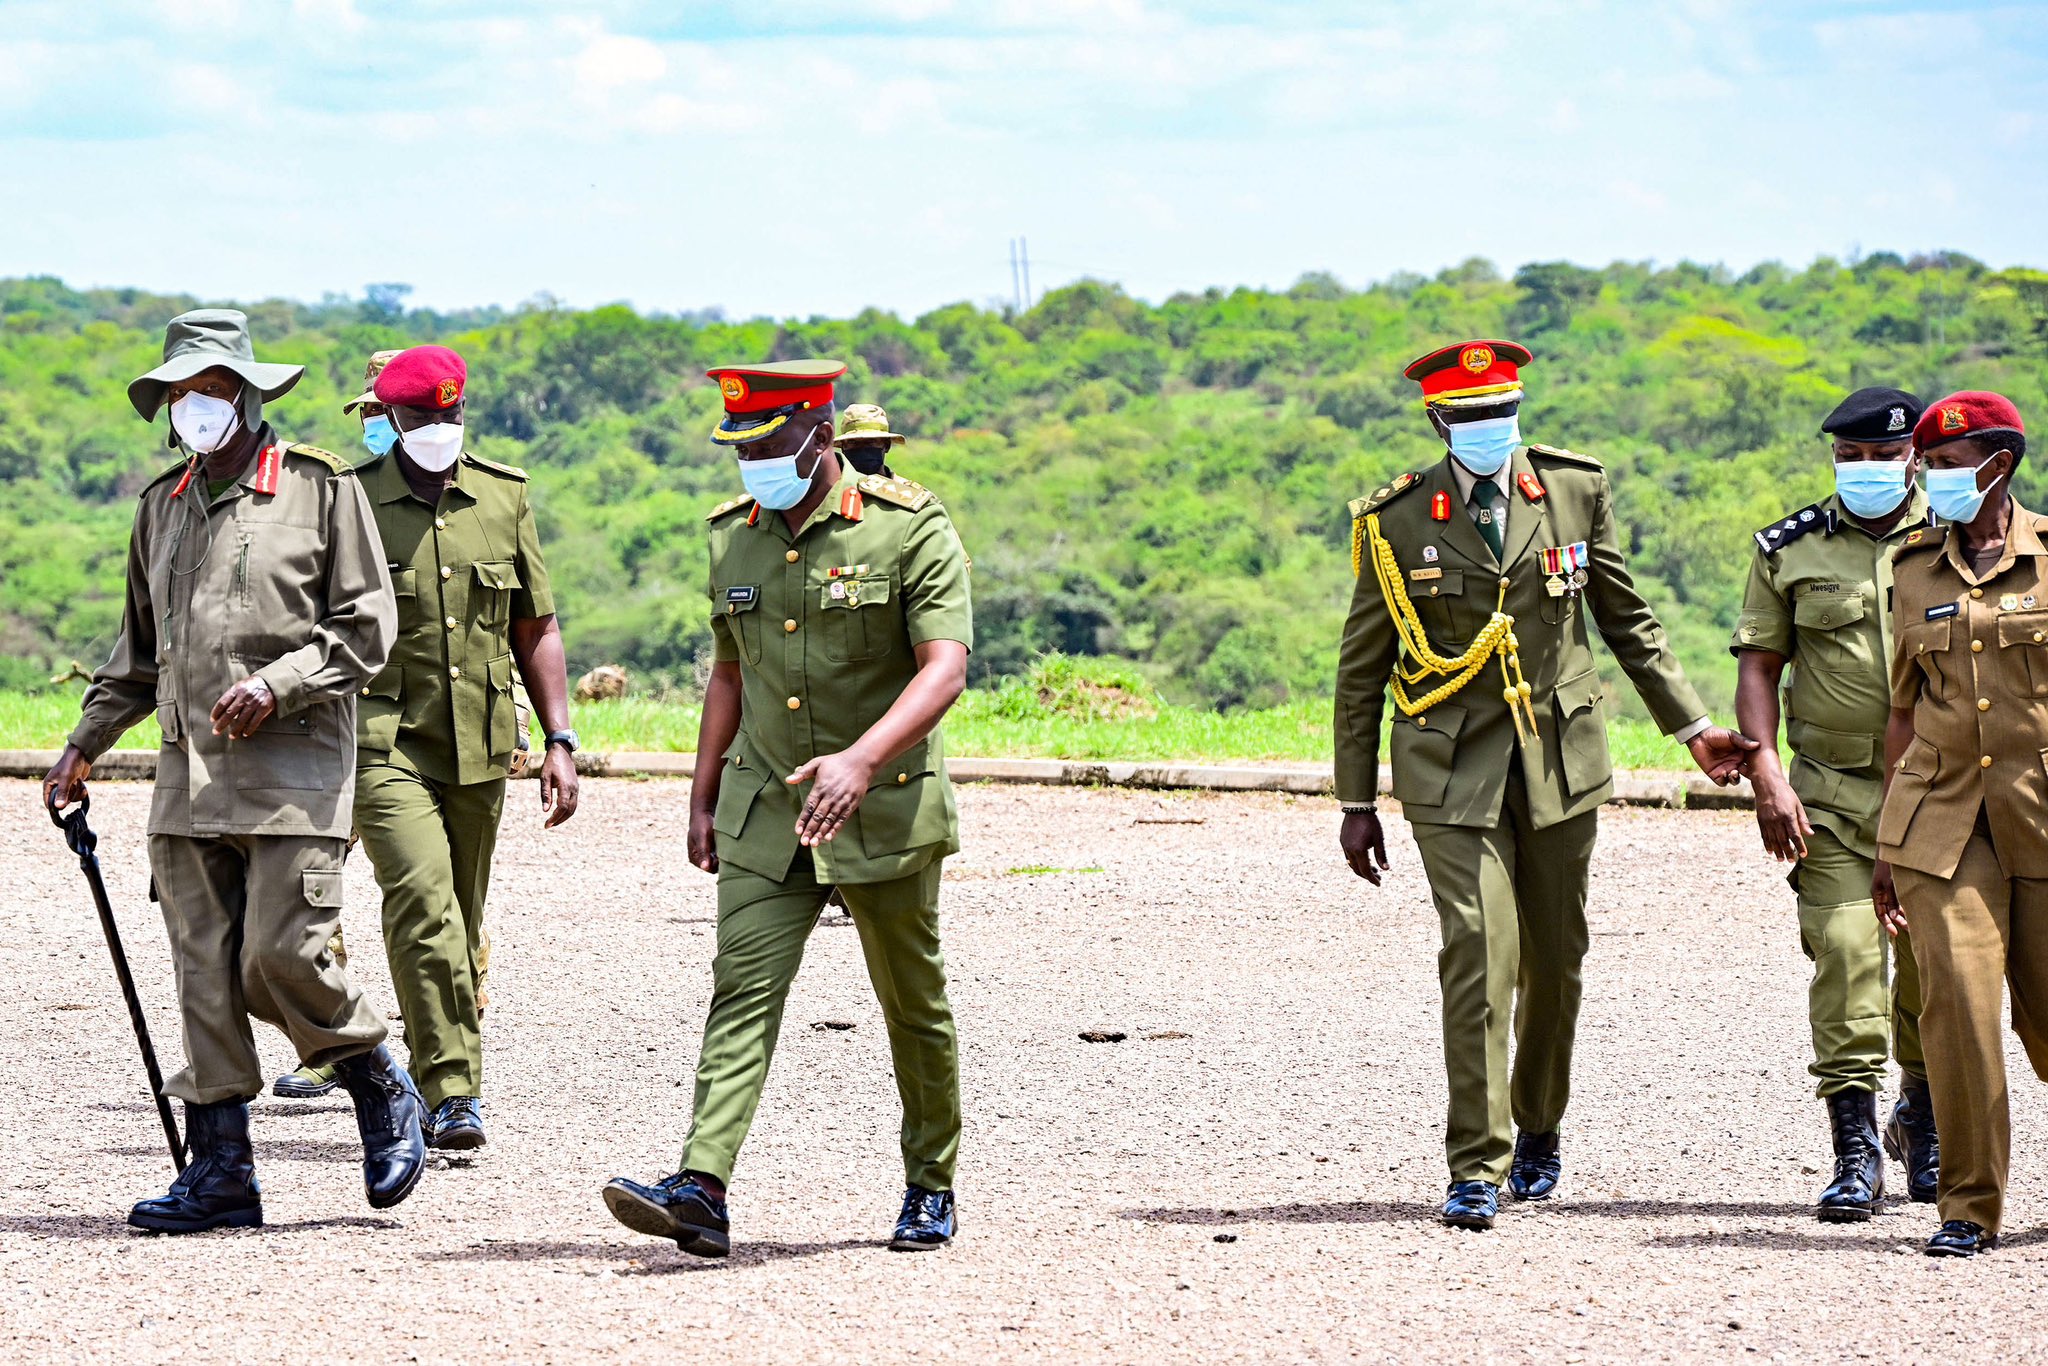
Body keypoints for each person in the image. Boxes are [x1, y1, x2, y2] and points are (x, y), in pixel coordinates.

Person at [1333, 339, 1757, 1230]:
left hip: (1560, 760)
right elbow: (1361, 667)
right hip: (1450, 766)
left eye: (1505, 414)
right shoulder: (1396, 520)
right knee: (1479, 951)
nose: (1495, 431)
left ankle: (1538, 1127)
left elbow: (1625, 621)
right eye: (1474, 418)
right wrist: (1355, 801)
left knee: (1556, 962)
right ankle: (1475, 1165)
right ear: (1439, 421)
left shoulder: (1571, 489)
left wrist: (1691, 727)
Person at [41, 309, 425, 1232]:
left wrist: (280, 684)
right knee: (203, 972)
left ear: (248, 395)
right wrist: (84, 743)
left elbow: (368, 628)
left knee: (281, 954)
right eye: (179, 392)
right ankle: (221, 1173)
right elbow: (139, 654)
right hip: (187, 781)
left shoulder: (320, 490)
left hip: (293, 773)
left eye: (210, 389)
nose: (194, 407)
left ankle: (377, 1077)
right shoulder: (160, 505)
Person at [603, 360, 972, 1257]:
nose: (752, 467)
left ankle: (930, 1183)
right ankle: (701, 1186)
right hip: (765, 807)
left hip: (881, 807)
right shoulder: (735, 538)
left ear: (819, 433)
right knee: (741, 993)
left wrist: (861, 759)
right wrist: (700, 797)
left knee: (911, 1001)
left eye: (768, 446)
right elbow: (728, 674)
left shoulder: (907, 527)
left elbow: (945, 667)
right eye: (740, 450)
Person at [347, 344, 579, 1151]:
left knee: (462, 916)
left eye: (451, 415)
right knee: (424, 903)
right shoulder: (350, 503)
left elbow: (534, 625)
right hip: (382, 740)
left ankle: (424, 1062)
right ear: (393, 421)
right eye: (423, 418)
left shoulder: (503, 498)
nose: (439, 428)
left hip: (478, 740)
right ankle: (452, 1090)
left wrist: (560, 737)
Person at [1732, 387, 1939, 1219]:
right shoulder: (1791, 548)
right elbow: (1758, 665)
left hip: (1941, 796)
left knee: (1934, 966)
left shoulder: (1962, 542)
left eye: (1881, 457)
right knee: (1849, 955)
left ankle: (1919, 1119)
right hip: (1829, 795)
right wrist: (1767, 776)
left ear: (1915, 458)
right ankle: (1855, 1151)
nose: (1865, 470)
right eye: (1848, 458)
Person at [1874, 390, 2047, 1258]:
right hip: (1940, 824)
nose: (1930, 480)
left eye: (1946, 467)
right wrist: (1883, 841)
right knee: (1962, 1014)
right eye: (1927, 467)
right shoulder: (1910, 569)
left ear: (1998, 465)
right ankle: (1967, 1208)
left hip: (2041, 816)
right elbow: (1903, 713)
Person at [270, 348, 401, 1102]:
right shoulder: (331, 495)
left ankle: (440, 1047)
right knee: (311, 891)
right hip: (332, 721)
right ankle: (331, 1046)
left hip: (414, 730)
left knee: (430, 897)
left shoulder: (463, 497)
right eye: (371, 414)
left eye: (390, 411)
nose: (379, 425)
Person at [836, 403, 906, 477]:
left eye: (870, 441)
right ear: (843, 447)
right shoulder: (832, 487)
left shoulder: (904, 488)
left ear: (887, 445)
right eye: (853, 442)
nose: (862, 449)